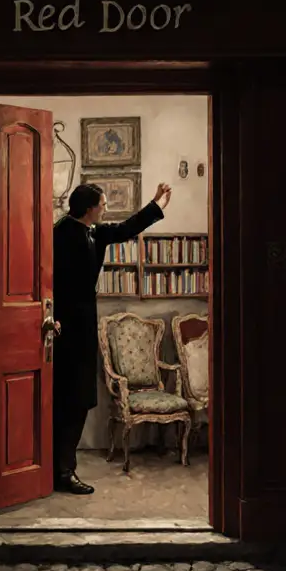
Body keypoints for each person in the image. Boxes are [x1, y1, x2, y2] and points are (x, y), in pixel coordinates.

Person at [52, 181, 172, 494]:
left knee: (78, 400)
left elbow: (127, 228)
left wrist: (156, 203)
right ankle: (60, 471)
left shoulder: (95, 232)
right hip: (63, 324)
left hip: (83, 323)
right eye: (103, 205)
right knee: (66, 400)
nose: (105, 209)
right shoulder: (58, 233)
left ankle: (63, 469)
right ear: (90, 207)